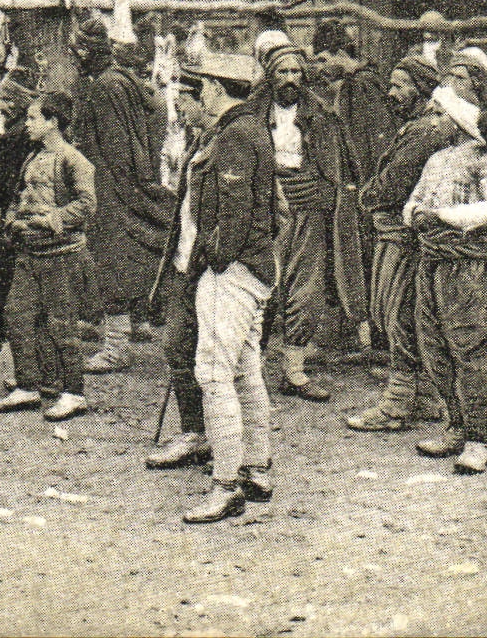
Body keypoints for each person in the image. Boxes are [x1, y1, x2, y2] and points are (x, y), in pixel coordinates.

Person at [169, 51, 278, 524]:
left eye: (205, 87)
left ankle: (226, 483)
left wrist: (211, 260)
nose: (202, 94)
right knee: (246, 368)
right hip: (253, 267)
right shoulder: (253, 128)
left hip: (232, 270)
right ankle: (257, 467)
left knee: (213, 372)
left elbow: (232, 217)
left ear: (216, 88)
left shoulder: (235, 135)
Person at [246, 41, 364, 401]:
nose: (289, 79)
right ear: (270, 76)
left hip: (307, 207)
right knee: (257, 283)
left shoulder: (321, 114)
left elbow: (336, 163)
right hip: (264, 207)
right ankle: (248, 367)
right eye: (282, 72)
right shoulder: (253, 113)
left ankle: (294, 371)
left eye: (296, 72)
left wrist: (324, 193)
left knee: (306, 289)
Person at [346, 54, 459, 432]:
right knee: (409, 314)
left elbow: (391, 185)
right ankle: (423, 397)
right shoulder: (419, 125)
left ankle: (396, 406)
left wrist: (365, 196)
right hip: (399, 234)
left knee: (399, 315)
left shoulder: (426, 130)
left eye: (399, 86)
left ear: (421, 88)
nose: (391, 93)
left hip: (404, 237)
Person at [404, 82, 487, 475]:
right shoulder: (435, 160)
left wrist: (444, 218)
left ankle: (478, 439)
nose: (431, 121)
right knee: (435, 347)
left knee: (473, 351)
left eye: (438, 115)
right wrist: (413, 213)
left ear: (458, 120)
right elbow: (415, 200)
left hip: (470, 270)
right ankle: (456, 423)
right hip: (432, 263)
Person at [69, 17, 172, 374]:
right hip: (117, 180)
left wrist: (111, 182)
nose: (76, 57)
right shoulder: (120, 81)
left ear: (87, 50)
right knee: (124, 256)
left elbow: (116, 145)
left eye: (79, 50)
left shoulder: (107, 87)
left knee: (112, 260)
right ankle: (134, 323)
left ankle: (115, 348)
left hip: (110, 185)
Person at [0, 92, 97, 422]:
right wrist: (12, 221)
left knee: (62, 324)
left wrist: (51, 220)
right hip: (28, 252)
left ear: (52, 123)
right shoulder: (32, 158)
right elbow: (19, 196)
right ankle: (28, 385)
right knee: (16, 313)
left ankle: (74, 392)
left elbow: (87, 204)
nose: (28, 125)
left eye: (34, 119)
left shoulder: (72, 160)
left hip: (61, 255)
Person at [144, 57, 226, 471]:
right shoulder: (198, 141)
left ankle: (223, 440)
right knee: (177, 345)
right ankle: (195, 433)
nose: (180, 112)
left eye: (186, 102)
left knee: (216, 359)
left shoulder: (227, 141)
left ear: (204, 97)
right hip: (184, 263)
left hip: (212, 267)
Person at [0, 70, 43, 392]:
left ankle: (26, 374)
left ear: (15, 105)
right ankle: (45, 368)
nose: (0, 106)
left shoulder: (8, 142)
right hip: (42, 224)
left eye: (5, 99)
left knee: (15, 300)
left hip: (16, 226)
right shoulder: (39, 137)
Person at [311, 20, 396, 206]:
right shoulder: (363, 80)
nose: (320, 68)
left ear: (340, 54)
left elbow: (364, 145)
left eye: (323, 60)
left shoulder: (358, 85)